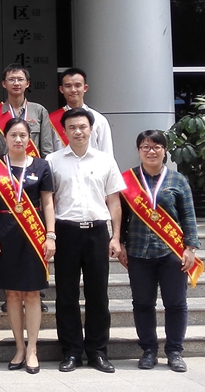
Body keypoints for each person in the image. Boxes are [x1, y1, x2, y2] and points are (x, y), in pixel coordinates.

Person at [46, 107, 124, 374]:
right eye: (72, 128)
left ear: (91, 129)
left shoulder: (105, 161)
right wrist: (51, 235)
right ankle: (71, 352)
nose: (78, 132)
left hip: (96, 232)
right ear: (64, 131)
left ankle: (98, 352)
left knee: (98, 295)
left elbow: (114, 202)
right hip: (66, 232)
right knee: (66, 295)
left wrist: (116, 236)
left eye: (82, 127)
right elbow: (49, 201)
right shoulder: (53, 160)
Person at [118, 130, 201, 373]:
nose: (151, 151)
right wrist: (120, 243)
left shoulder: (178, 180)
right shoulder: (128, 180)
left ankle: (174, 351)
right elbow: (120, 217)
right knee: (142, 303)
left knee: (176, 303)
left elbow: (188, 216)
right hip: (138, 251)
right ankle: (148, 350)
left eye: (156, 147)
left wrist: (190, 248)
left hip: (171, 252)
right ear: (138, 151)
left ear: (165, 151)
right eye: (145, 147)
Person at [0, 117, 55, 375]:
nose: (18, 139)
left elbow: (48, 202)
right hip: (4, 232)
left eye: (23, 135)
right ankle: (19, 347)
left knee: (32, 293)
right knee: (12, 293)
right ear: (5, 138)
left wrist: (50, 235)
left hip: (33, 234)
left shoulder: (41, 166)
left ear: (29, 138)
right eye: (13, 135)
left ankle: (33, 348)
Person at [0, 64, 53, 158]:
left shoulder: (39, 111)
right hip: (5, 166)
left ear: (27, 83)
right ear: (4, 84)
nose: (16, 83)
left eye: (20, 79)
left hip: (33, 165)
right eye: (11, 79)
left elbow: (47, 149)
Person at [48, 68, 113, 155]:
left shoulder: (99, 120)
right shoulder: (51, 121)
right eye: (68, 86)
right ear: (61, 89)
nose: (73, 90)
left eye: (77, 85)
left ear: (85, 88)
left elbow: (107, 153)